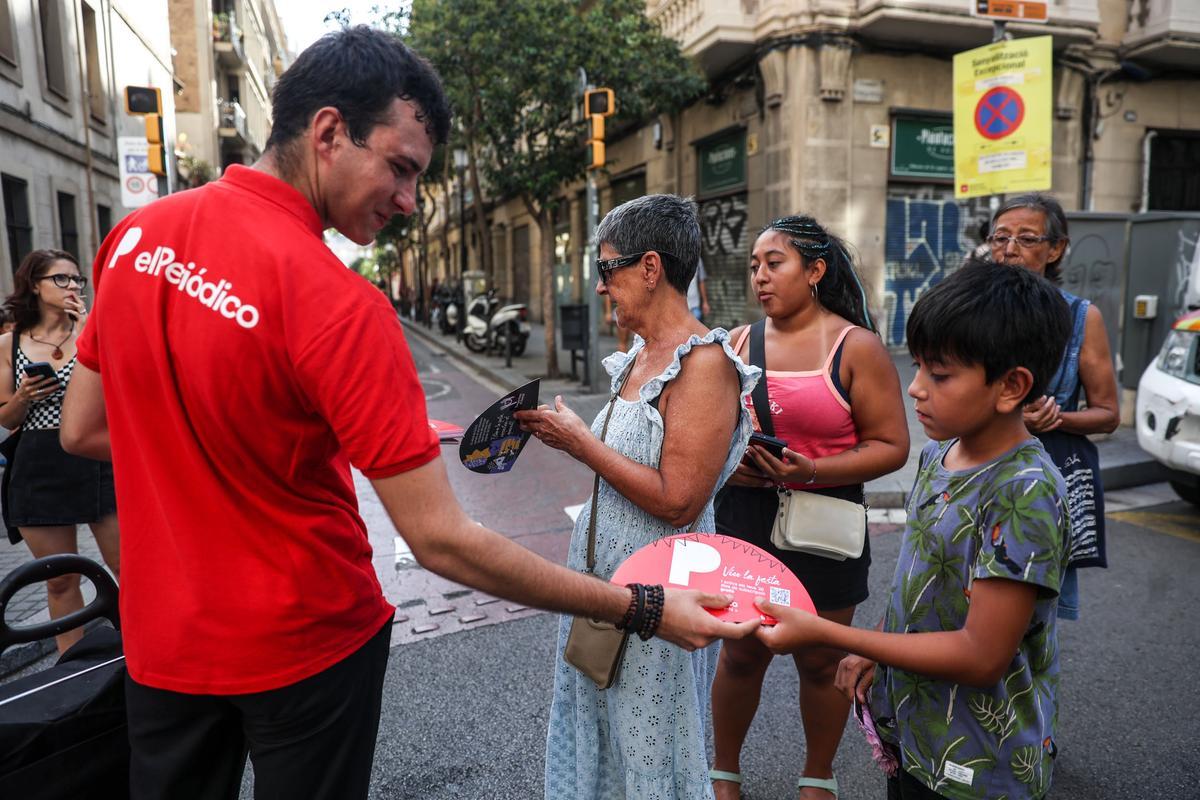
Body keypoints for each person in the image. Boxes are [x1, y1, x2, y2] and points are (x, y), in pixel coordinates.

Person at [59, 28, 754, 800]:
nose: (408, 200)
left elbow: (84, 429)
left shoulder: (133, 239)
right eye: (399, 168)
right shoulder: (340, 303)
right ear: (328, 132)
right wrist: (643, 606)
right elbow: (442, 541)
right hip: (305, 644)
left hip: (165, 642)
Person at [757, 259, 1073, 800]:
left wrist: (828, 634)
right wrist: (876, 649)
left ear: (1012, 385)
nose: (915, 388)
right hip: (915, 737)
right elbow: (919, 579)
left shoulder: (1027, 492)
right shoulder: (937, 456)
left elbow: (981, 655)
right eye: (919, 366)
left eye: (940, 374)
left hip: (980, 763)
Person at [515, 194, 760, 799]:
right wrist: (568, 436)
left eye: (607, 270)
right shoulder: (636, 358)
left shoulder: (704, 366)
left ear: (650, 268)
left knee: (650, 745)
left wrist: (581, 443)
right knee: (600, 728)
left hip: (660, 595)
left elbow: (679, 499)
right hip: (606, 584)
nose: (602, 288)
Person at [709, 216, 910, 800]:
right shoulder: (738, 344)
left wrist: (813, 470)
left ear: (815, 271)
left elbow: (891, 446)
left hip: (825, 525)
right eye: (754, 266)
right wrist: (732, 461)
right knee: (741, 653)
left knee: (821, 662)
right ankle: (724, 772)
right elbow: (712, 430)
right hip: (745, 520)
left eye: (775, 264)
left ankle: (818, 775)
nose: (760, 278)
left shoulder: (856, 347)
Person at [987, 193, 1119, 620]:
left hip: (1042, 482)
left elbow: (1108, 414)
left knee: (1029, 617)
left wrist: (1057, 417)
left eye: (1026, 239)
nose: (1009, 249)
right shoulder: (972, 311)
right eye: (1000, 237)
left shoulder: (1081, 318)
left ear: (1056, 248)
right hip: (978, 471)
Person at [0, 249, 119, 654]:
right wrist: (23, 395)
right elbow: (5, 417)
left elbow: (120, 390)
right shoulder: (8, 343)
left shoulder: (93, 330)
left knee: (128, 568)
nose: (72, 287)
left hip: (96, 455)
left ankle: (143, 652)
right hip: (38, 461)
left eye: (77, 280)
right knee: (60, 579)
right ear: (35, 285)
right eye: (61, 279)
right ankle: (72, 665)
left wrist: (90, 331)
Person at [687, 256, 710, 320]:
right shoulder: (676, 257)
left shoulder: (697, 260)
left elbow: (701, 281)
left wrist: (705, 302)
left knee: (695, 327)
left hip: (695, 305)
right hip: (680, 306)